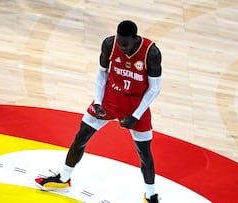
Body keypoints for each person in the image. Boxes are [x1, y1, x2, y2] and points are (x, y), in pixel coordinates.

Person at [35, 20, 162, 203]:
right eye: (119, 43)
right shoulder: (110, 44)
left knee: (144, 152)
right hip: (111, 98)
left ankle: (151, 195)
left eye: (125, 44)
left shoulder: (151, 53)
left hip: (136, 104)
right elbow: (101, 73)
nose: (122, 47)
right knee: (81, 135)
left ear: (135, 39)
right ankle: (63, 179)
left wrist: (136, 115)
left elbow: (154, 88)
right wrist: (98, 102)